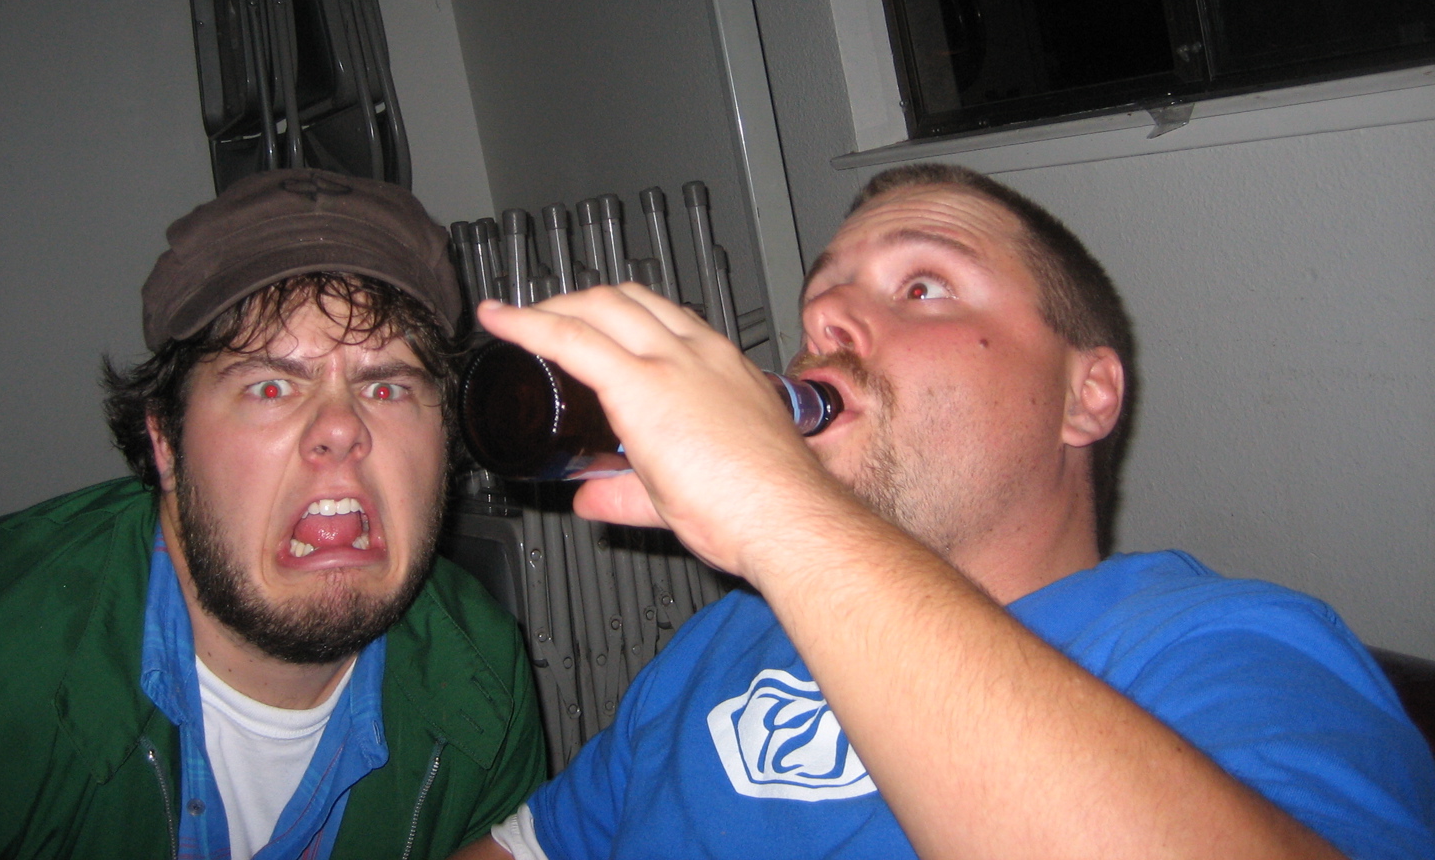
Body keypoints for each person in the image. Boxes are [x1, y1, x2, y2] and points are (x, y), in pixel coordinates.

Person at [458, 162, 1435, 860]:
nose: (821, 321)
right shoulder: (722, 645)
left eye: (922, 287)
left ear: (1085, 394)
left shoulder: (1219, 649)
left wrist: (781, 516)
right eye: (821, 298)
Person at [0, 169, 545, 859]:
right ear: (165, 442)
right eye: (271, 386)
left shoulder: (481, 679)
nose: (340, 428)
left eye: (387, 389)